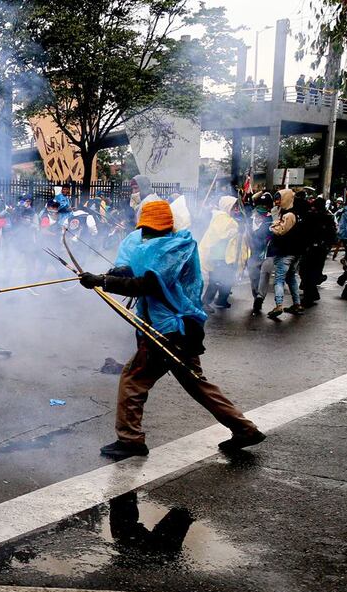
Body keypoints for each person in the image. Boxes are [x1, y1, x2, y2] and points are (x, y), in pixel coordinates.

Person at [78, 199, 265, 459]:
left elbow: (148, 283)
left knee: (133, 380)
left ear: (161, 227)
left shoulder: (173, 248)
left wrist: (104, 281)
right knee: (196, 383)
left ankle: (130, 439)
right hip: (180, 328)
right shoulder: (163, 243)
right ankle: (244, 429)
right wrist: (117, 272)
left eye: (149, 229)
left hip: (169, 328)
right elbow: (136, 269)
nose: (145, 234)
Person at [199, 195, 248, 312]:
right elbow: (222, 234)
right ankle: (205, 302)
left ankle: (222, 300)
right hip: (218, 255)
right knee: (215, 280)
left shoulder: (228, 218)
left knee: (227, 278)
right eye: (233, 207)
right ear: (227, 206)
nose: (236, 209)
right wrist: (236, 229)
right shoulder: (221, 218)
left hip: (226, 255)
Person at [266, 188, 303, 319]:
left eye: (279, 199)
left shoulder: (289, 215)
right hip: (295, 252)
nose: (277, 202)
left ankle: (279, 305)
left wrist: (273, 222)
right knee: (291, 278)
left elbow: (280, 231)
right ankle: (297, 304)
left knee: (279, 280)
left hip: (286, 252)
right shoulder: (293, 213)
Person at [246, 191, 276, 315]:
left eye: (265, 205)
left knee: (264, 275)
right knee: (254, 277)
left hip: (268, 253)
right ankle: (256, 294)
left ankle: (259, 298)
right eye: (260, 205)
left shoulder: (272, 220)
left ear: (269, 207)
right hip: (253, 253)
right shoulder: (250, 218)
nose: (262, 207)